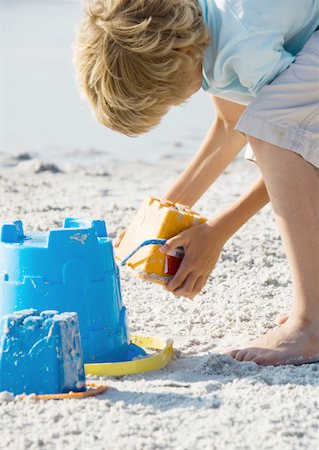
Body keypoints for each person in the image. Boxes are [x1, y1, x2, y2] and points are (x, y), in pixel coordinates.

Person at [74, 0, 319, 365]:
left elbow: (293, 139)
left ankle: (310, 325)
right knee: (272, 125)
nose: (180, 102)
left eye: (174, 97)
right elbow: (229, 123)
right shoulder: (206, 26)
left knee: (274, 130)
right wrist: (157, 217)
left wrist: (217, 231)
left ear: (184, 52)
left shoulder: (243, 44)